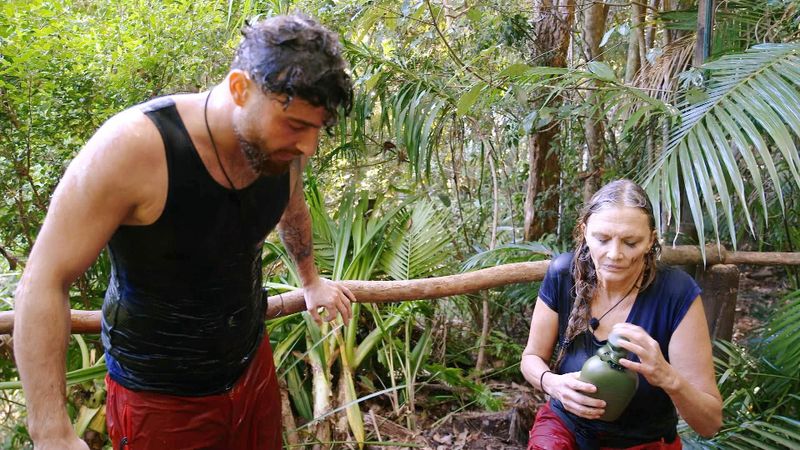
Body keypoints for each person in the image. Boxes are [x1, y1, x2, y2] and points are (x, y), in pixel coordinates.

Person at [13, 14, 355, 450]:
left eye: (316, 129)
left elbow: (292, 204)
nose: (307, 146)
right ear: (239, 88)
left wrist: (310, 281)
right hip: (160, 396)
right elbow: (43, 279)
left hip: (250, 365)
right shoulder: (134, 147)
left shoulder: (281, 147)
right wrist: (51, 432)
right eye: (295, 126)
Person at [520, 179, 722, 449]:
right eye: (602, 239)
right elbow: (532, 357)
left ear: (651, 240)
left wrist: (667, 376)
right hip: (565, 429)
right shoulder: (563, 275)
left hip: (644, 442)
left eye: (631, 242)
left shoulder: (676, 293)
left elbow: (709, 424)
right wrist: (551, 384)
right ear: (584, 231)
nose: (614, 254)